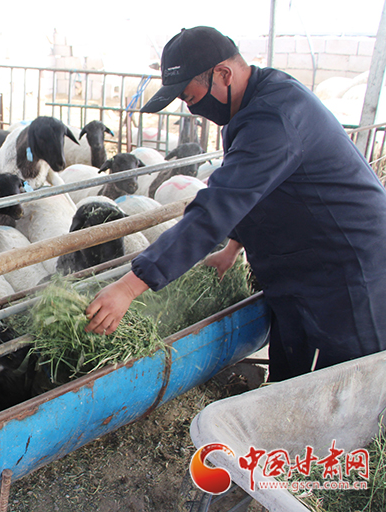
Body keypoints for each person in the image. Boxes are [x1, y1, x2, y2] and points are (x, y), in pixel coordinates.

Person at [84, 26, 386, 382]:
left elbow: (220, 204)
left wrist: (130, 286)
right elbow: (256, 191)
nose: (193, 110)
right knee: (291, 380)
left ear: (223, 74)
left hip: (348, 273)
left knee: (342, 387)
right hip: (302, 266)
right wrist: (233, 247)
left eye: (190, 97)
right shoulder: (249, 108)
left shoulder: (274, 117)